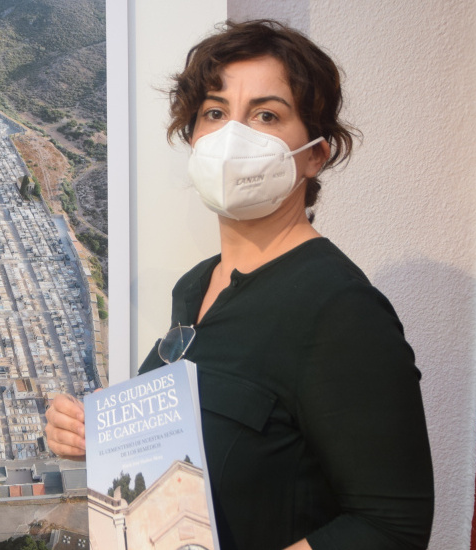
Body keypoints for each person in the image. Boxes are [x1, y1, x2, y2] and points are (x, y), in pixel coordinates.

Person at [45, 20, 434, 550]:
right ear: (192, 136)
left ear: (316, 153)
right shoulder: (196, 285)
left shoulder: (340, 309)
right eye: (214, 112)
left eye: (267, 115)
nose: (232, 136)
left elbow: (392, 528)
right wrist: (111, 442)